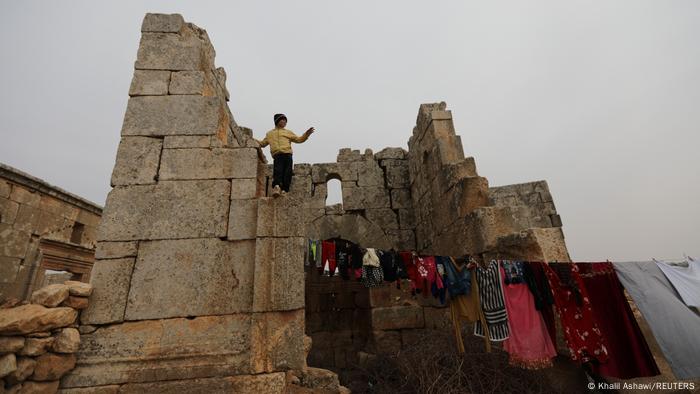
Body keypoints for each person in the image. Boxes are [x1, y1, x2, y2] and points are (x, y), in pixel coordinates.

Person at [256, 114, 315, 197]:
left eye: (285, 120)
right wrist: (251, 139)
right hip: (277, 154)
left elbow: (299, 139)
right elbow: (262, 143)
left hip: (288, 154)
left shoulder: (288, 132)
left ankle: (285, 190)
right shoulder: (270, 134)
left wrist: (306, 134)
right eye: (282, 120)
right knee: (278, 171)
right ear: (277, 121)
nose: (284, 122)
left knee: (288, 172)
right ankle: (277, 187)